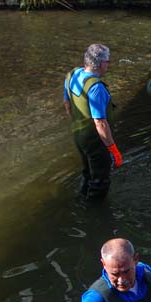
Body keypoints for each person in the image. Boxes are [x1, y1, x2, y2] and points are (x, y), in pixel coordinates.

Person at [63, 43, 123, 200]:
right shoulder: (96, 88)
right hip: (95, 141)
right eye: (108, 61)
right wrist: (113, 150)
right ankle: (93, 214)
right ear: (101, 64)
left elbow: (67, 104)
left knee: (88, 172)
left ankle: (82, 197)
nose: (108, 64)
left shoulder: (72, 75)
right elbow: (100, 123)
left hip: (78, 135)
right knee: (100, 182)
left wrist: (79, 124)